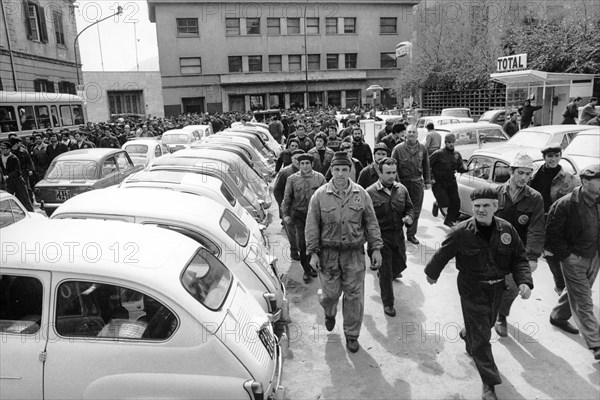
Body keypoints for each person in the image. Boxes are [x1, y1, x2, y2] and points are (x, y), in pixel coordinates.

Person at [425, 187, 533, 400]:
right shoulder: (461, 231)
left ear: (496, 206)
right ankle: (489, 384)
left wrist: (524, 282)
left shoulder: (507, 230)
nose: (481, 210)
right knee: (483, 337)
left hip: (497, 288)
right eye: (477, 206)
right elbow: (443, 253)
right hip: (471, 288)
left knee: (487, 324)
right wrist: (432, 273)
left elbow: (519, 258)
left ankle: (468, 334)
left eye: (486, 205)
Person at [305, 151, 383, 353]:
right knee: (331, 294)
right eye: (336, 169)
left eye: (344, 170)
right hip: (328, 255)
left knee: (354, 296)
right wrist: (313, 252)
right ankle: (329, 311)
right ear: (331, 170)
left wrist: (375, 248)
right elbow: (312, 225)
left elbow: (371, 223)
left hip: (354, 254)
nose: (340, 174)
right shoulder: (320, 195)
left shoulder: (361, 194)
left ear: (350, 171)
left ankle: (351, 334)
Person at [546, 164, 600, 361]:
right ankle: (596, 344)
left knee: (576, 292)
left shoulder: (598, 200)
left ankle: (558, 316)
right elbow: (552, 233)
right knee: (584, 300)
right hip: (574, 258)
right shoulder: (566, 204)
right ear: (585, 182)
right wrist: (567, 256)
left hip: (594, 256)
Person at [493, 153, 545, 337]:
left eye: (528, 174)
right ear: (511, 171)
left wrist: (532, 256)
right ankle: (482, 319)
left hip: (518, 253)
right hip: (493, 250)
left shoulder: (535, 198)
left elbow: (536, 228)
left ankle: (501, 314)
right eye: (520, 173)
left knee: (514, 287)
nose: (524, 178)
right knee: (488, 285)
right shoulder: (496, 193)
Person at [366, 157, 414, 316]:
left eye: (394, 172)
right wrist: (371, 244)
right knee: (386, 272)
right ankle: (388, 303)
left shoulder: (402, 189)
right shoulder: (369, 193)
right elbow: (364, 219)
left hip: (398, 236)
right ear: (380, 172)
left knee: (400, 264)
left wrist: (409, 218)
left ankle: (387, 273)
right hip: (380, 238)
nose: (392, 176)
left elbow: (409, 208)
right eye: (388, 173)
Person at [529, 145, 580, 295]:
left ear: (560, 156)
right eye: (550, 156)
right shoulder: (534, 176)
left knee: (562, 253)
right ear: (544, 157)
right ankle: (560, 286)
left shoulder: (569, 178)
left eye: (557, 156)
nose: (553, 159)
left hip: (560, 222)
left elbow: (577, 200)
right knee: (549, 255)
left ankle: (568, 286)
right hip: (540, 219)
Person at [281, 153, 327, 283]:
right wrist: (286, 215)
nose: (305, 166)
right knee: (302, 243)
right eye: (302, 163)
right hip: (300, 215)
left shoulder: (320, 178)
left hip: (317, 215)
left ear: (312, 164)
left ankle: (316, 265)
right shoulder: (292, 179)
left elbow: (326, 197)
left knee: (319, 241)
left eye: (307, 163)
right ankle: (307, 270)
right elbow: (287, 198)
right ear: (299, 165)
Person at [391, 124, 431, 244]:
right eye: (409, 132)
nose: (412, 134)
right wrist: (396, 183)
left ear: (417, 134)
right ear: (405, 134)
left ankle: (411, 234)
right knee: (399, 209)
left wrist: (427, 181)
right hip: (402, 183)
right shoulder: (398, 149)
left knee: (415, 210)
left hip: (417, 182)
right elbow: (393, 166)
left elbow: (426, 165)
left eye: (414, 132)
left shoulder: (423, 148)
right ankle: (398, 235)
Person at [429, 133, 467, 227]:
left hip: (451, 181)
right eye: (449, 142)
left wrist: (465, 168)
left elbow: (459, 168)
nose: (451, 144)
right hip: (439, 182)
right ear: (445, 143)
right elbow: (427, 165)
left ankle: (448, 220)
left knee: (456, 203)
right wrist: (430, 178)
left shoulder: (457, 155)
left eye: (453, 142)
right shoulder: (438, 154)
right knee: (445, 202)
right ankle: (438, 204)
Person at [273, 149, 303, 261]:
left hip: (302, 208)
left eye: (300, 158)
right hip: (289, 208)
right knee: (291, 231)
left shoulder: (306, 171)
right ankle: (294, 251)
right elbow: (277, 191)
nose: (298, 161)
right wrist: (283, 206)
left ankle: (303, 251)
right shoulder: (285, 173)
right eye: (296, 158)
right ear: (291, 159)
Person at [0, 141, 34, 211]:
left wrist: (8, 176)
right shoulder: (0, 158)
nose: (1, 150)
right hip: (8, 183)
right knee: (6, 199)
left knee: (24, 199)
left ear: (9, 149)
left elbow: (17, 171)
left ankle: (31, 213)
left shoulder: (14, 158)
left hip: (18, 181)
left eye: (4, 148)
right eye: (1, 148)